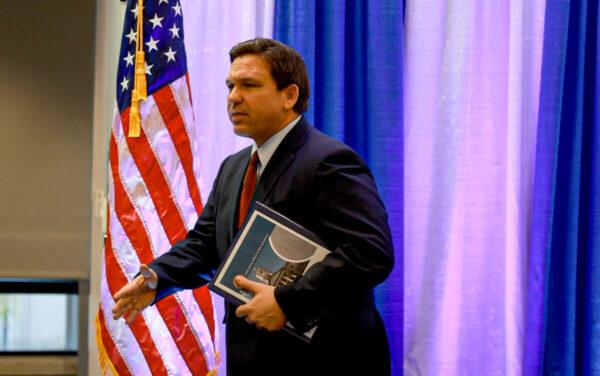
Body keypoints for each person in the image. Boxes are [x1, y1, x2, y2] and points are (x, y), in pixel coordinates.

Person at [112, 38, 394, 375]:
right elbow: (206, 244)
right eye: (231, 85)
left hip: (326, 359)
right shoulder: (234, 167)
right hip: (254, 358)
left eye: (249, 85)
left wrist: (287, 303)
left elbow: (370, 252)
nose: (233, 97)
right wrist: (157, 277)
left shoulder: (329, 161)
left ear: (289, 96)